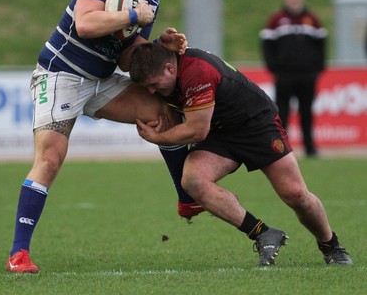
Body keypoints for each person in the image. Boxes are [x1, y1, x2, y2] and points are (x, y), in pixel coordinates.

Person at [6, 0, 203, 274]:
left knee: (163, 113)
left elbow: (129, 59)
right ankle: (19, 254)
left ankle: (186, 198)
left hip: (101, 81)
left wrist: (161, 44)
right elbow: (85, 24)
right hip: (60, 76)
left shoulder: (149, 1)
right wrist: (132, 17)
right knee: (50, 159)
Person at [129, 42, 353, 267]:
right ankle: (262, 233)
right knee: (193, 180)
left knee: (295, 194)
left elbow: (197, 131)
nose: (151, 92)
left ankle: (330, 245)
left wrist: (156, 138)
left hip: (256, 125)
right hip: (219, 133)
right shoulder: (163, 60)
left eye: (153, 85)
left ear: (169, 68)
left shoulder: (197, 72)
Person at [260, 0, 327, 157]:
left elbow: (321, 47)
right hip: (284, 75)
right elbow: (267, 46)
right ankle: (283, 150)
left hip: (307, 75)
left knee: (307, 112)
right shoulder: (276, 20)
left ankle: (310, 149)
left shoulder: (312, 20)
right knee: (282, 114)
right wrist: (274, 68)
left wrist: (317, 69)